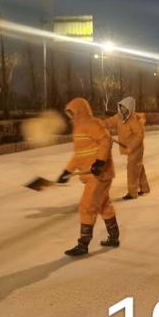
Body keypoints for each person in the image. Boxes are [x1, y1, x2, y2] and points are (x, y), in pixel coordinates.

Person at [57, 97, 119, 256]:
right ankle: (114, 237)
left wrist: (100, 162)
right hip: (91, 174)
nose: (70, 116)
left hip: (99, 174)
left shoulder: (92, 123)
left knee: (86, 205)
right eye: (69, 113)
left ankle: (83, 244)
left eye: (72, 112)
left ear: (79, 110)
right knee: (104, 205)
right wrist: (67, 171)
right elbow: (79, 155)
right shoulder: (78, 128)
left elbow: (106, 140)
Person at [105, 96, 150, 200]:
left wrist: (131, 146)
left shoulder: (133, 119)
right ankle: (144, 188)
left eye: (124, 107)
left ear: (129, 108)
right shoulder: (119, 117)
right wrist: (98, 125)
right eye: (121, 107)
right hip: (129, 147)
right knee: (138, 167)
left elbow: (139, 135)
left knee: (132, 169)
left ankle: (132, 193)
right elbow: (108, 122)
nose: (122, 109)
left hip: (136, 148)